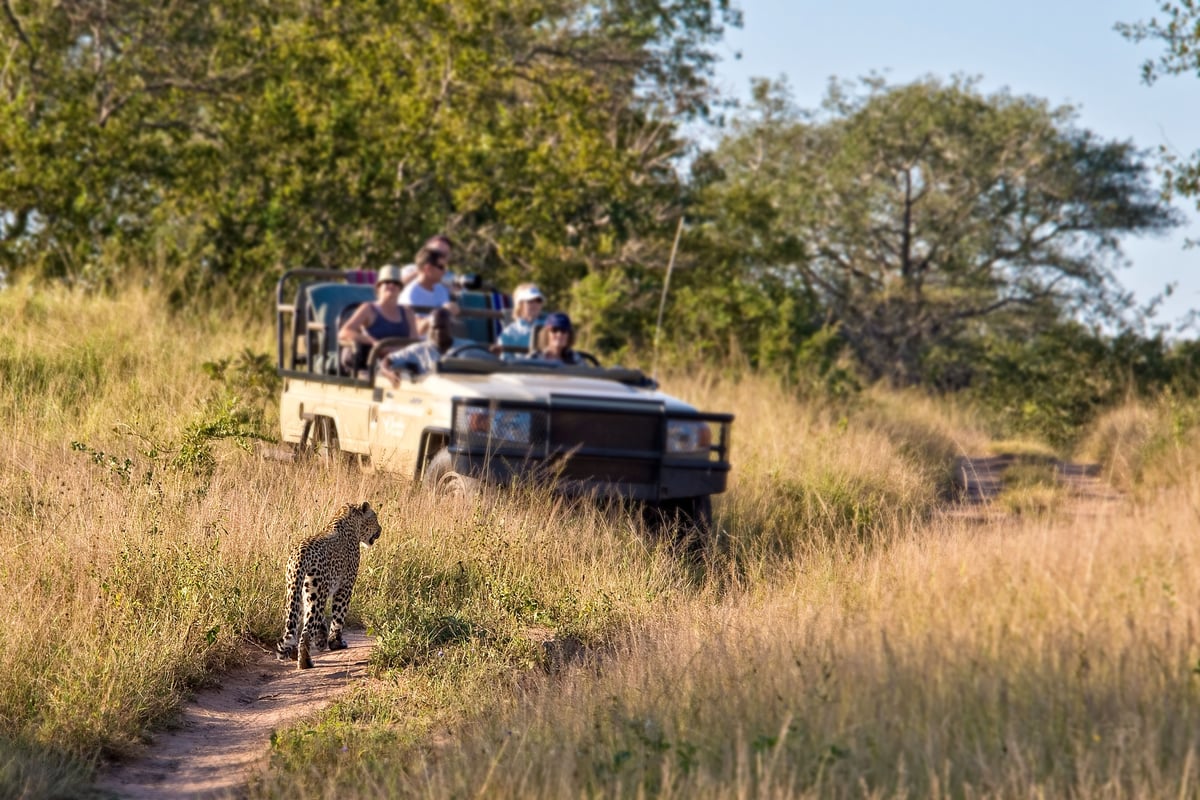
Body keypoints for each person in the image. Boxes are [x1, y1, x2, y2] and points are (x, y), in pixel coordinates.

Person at [337, 264, 418, 373]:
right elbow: (344, 332)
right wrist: (374, 343)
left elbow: (414, 341)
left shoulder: (407, 312)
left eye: (396, 283)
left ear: (400, 289)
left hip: (401, 363)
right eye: (387, 282)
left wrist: (395, 351)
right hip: (372, 366)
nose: (391, 285)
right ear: (379, 287)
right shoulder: (368, 309)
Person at [380, 307, 455, 382]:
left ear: (451, 326)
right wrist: (388, 373)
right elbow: (388, 360)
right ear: (429, 328)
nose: (438, 332)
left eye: (442, 327)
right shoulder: (419, 350)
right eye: (434, 327)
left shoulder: (465, 347)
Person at [399, 244, 459, 333]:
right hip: (420, 344)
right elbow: (417, 329)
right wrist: (441, 313)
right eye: (441, 267)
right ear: (428, 268)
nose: (444, 272)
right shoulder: (410, 295)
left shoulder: (440, 289)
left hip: (442, 341)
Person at [492, 283, 545, 356]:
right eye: (530, 301)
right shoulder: (509, 333)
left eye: (538, 300)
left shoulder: (551, 329)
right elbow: (505, 362)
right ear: (520, 305)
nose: (535, 304)